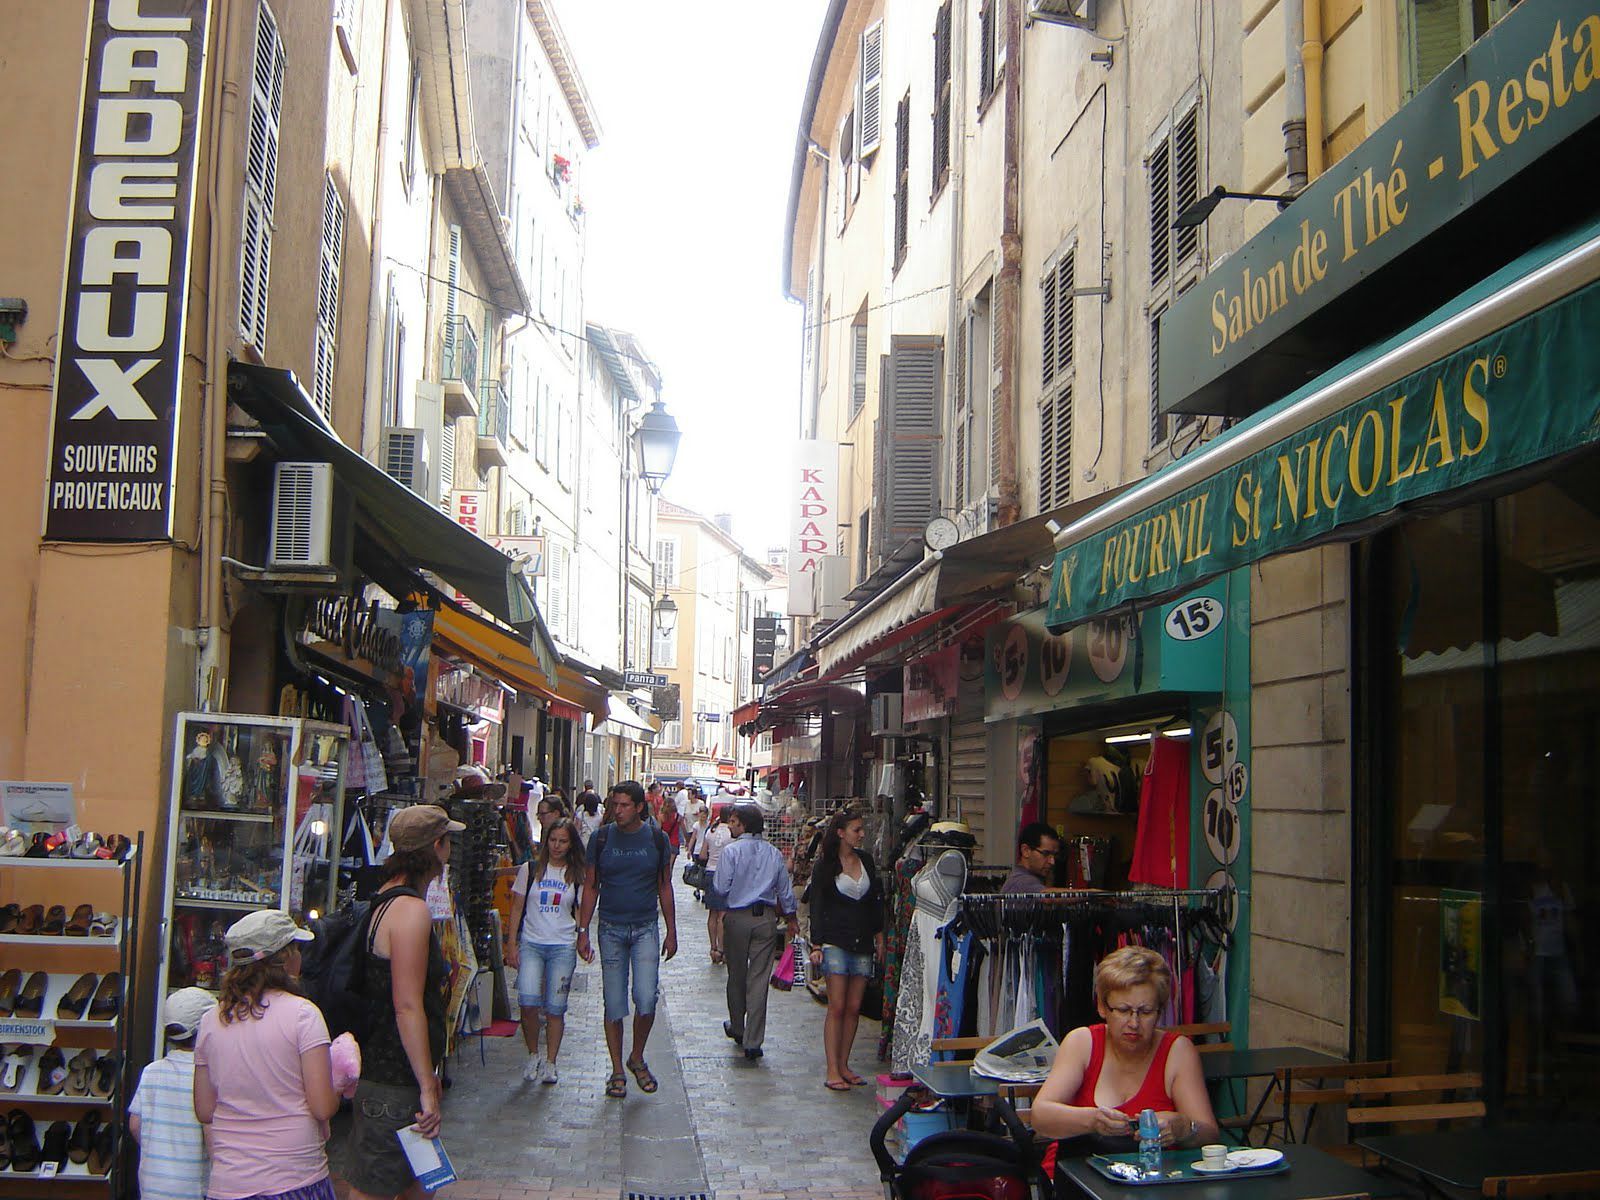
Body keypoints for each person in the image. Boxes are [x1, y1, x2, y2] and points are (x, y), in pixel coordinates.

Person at [345, 805, 461, 1200]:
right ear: (437, 847)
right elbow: (406, 1005)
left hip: (386, 1076)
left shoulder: (384, 899)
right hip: (395, 1082)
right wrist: (427, 1084)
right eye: (447, 842)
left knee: (419, 1187)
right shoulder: (411, 911)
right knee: (375, 1190)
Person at [1030, 946, 1219, 1178]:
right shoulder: (1082, 1043)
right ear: (1102, 1007)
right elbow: (1040, 1116)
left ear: (1160, 1012)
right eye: (1122, 1010)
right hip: (1077, 1178)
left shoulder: (1177, 1051)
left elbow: (1209, 1134)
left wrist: (1184, 1128)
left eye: (1146, 1012)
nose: (1134, 1023)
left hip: (1152, 1181)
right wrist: (1092, 1120)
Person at [193, 911, 339, 1200]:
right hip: (294, 1176)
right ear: (285, 958)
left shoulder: (211, 1020)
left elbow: (205, 1109)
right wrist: (341, 1086)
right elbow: (322, 1106)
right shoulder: (304, 1015)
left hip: (229, 1182)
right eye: (297, 948)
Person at [576, 781, 678, 1099]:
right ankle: (618, 1069)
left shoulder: (657, 840)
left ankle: (637, 1055)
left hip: (645, 926)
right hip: (611, 927)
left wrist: (672, 930)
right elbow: (591, 885)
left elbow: (664, 886)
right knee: (614, 1002)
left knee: (646, 998)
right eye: (613, 805)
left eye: (623, 805)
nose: (616, 811)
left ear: (638, 807)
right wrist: (582, 930)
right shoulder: (601, 838)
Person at [506, 817, 591, 1085]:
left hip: (561, 945)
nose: (557, 846)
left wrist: (582, 938)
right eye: (553, 840)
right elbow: (517, 908)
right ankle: (533, 1054)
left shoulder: (577, 876)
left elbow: (580, 913)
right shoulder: (530, 870)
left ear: (571, 844)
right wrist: (511, 943)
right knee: (528, 1002)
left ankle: (551, 1062)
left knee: (556, 1008)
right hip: (532, 942)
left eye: (563, 841)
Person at [712, 804, 798, 1061]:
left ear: (744, 825)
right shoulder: (773, 854)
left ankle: (737, 1026)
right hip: (766, 920)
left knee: (736, 974)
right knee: (759, 979)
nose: (731, 825)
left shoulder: (731, 852)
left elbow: (720, 886)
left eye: (735, 821)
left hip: (737, 917)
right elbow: (785, 891)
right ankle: (753, 1040)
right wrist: (792, 918)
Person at [805, 811, 884, 1090]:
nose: (861, 834)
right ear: (841, 832)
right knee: (836, 1006)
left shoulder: (867, 862)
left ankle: (845, 1064)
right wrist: (816, 943)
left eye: (861, 830)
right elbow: (816, 905)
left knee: (853, 1007)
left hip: (862, 940)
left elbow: (876, 901)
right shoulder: (825, 865)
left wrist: (879, 936)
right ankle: (832, 1068)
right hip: (835, 941)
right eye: (856, 829)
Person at [129, 987, 213, 1200]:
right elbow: (211, 1136)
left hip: (152, 1183)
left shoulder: (152, 1071)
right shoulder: (207, 1076)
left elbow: (135, 1125)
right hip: (192, 1186)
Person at [698, 809, 734, 963]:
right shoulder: (731, 834)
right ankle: (721, 949)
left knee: (712, 913)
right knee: (722, 914)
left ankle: (712, 948)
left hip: (710, 872)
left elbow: (702, 855)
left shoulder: (710, 831)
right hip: (725, 874)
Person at [1002, 821, 1063, 893]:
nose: (1052, 862)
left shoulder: (1030, 877)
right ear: (1026, 850)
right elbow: (1046, 897)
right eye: (1046, 854)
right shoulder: (1021, 880)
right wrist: (1079, 893)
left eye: (1054, 855)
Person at [575, 782, 604, 848]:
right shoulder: (600, 814)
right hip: (596, 841)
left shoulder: (581, 814)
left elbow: (577, 830)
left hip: (584, 841)